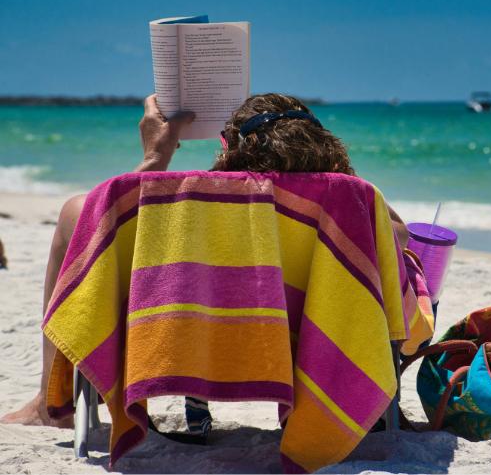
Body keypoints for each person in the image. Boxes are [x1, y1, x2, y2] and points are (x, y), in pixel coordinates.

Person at [1, 93, 410, 427]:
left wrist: (154, 158)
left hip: (174, 333)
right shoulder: (353, 201)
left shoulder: (191, 199)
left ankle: (46, 403)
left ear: (229, 148)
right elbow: (400, 239)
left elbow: (102, 220)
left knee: (77, 210)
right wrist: (344, 183)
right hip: (308, 335)